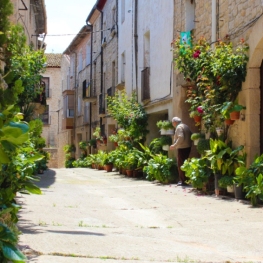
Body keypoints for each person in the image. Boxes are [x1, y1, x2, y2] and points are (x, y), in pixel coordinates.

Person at [169, 117, 192, 186]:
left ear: (175, 122)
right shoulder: (185, 126)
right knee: (185, 164)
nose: (173, 124)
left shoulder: (179, 127)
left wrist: (174, 145)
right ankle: (186, 179)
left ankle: (183, 181)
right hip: (188, 147)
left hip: (182, 147)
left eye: (173, 123)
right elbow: (191, 134)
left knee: (181, 164)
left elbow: (181, 137)